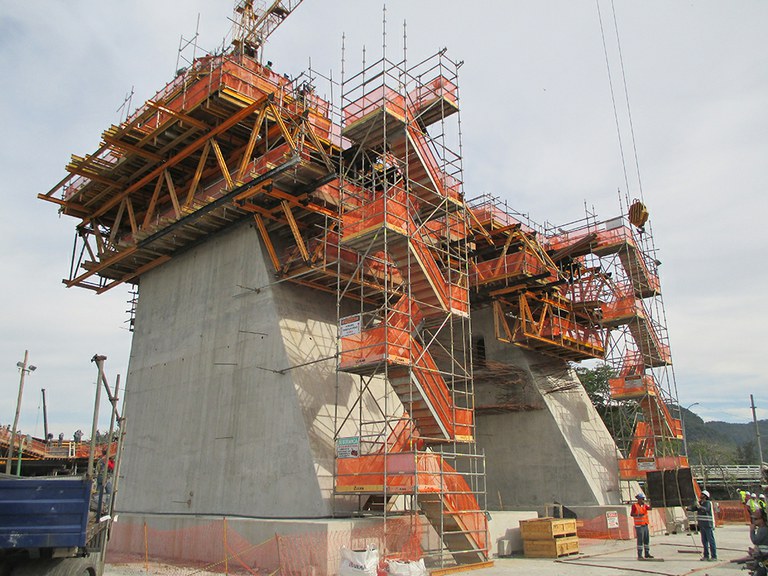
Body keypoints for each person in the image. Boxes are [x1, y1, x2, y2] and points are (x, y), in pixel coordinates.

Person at [688, 490, 717, 561]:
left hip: (708, 524)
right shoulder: (700, 503)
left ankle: (714, 556)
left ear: (705, 496)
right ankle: (706, 555)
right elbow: (694, 508)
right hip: (702, 524)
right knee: (704, 541)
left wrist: (699, 506)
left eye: (702, 494)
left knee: (711, 540)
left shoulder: (707, 503)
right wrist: (688, 508)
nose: (700, 495)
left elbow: (706, 509)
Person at [630, 492, 654, 560]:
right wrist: (638, 515)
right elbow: (631, 514)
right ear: (639, 499)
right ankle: (640, 555)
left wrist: (652, 503)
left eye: (644, 499)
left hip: (645, 524)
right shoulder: (635, 506)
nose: (643, 500)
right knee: (640, 540)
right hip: (639, 526)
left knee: (646, 539)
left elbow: (650, 508)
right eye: (642, 499)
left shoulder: (644, 505)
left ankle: (647, 553)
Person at [749, 509, 768, 576]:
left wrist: (752, 531)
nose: (753, 521)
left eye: (755, 519)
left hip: (765, 559)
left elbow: (755, 540)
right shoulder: (761, 529)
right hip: (764, 557)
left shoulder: (763, 530)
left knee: (760, 569)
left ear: (762, 520)